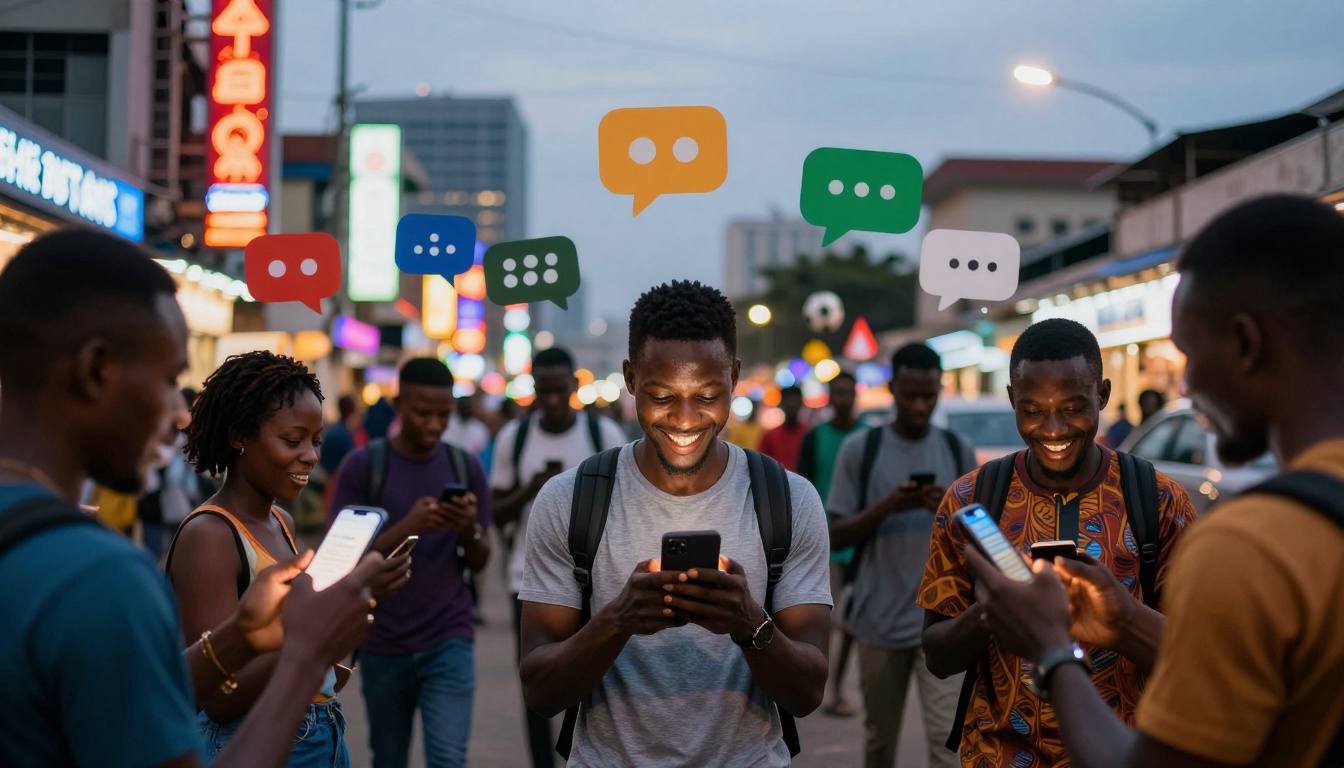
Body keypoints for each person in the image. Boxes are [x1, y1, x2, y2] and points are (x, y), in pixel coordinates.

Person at [962, 195, 1344, 768]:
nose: (1185, 384)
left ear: (1245, 342)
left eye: (1188, 352)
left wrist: (1051, 651)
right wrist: (1129, 622)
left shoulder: (1255, 545)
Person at [0, 228, 382, 768]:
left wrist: (242, 636)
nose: (177, 414)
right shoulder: (99, 576)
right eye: (165, 379)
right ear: (94, 371)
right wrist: (306, 653)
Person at [519, 280, 832, 766]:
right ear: (629, 378)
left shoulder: (789, 500)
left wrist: (749, 623)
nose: (685, 419)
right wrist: (618, 620)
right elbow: (540, 691)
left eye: (707, 394)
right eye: (662, 395)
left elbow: (808, 692)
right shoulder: (570, 500)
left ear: (734, 377)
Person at [918, 318, 1198, 768]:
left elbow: (1194, 657)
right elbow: (937, 655)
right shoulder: (969, 501)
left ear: (1103, 394)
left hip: (1126, 754)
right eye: (1031, 410)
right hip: (997, 754)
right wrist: (991, 612)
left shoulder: (1160, 501)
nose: (1052, 428)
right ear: (1011, 400)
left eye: (1073, 407)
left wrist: (1121, 621)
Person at [166, 351, 411, 767]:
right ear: (240, 436)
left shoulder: (282, 521)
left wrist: (351, 602)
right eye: (293, 441)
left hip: (323, 729)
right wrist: (317, 629)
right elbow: (219, 697)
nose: (311, 457)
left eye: (315, 441)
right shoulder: (209, 536)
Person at [331, 357, 493, 768]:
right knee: (388, 758)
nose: (435, 424)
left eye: (444, 414)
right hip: (383, 641)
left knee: (448, 759)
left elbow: (480, 558)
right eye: (423, 413)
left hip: (449, 637)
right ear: (399, 404)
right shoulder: (364, 465)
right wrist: (409, 527)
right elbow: (342, 562)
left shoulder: (464, 466)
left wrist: (468, 528)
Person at [827, 343, 977, 768]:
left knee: (947, 749)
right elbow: (835, 535)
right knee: (879, 745)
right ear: (892, 389)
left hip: (944, 623)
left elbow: (978, 540)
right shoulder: (862, 449)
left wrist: (942, 511)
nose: (919, 405)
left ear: (939, 390)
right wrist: (886, 507)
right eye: (909, 395)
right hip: (877, 621)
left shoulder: (957, 449)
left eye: (928, 396)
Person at [489, 346, 628, 768]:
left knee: (589, 678)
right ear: (532, 388)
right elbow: (494, 511)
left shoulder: (604, 437)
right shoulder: (514, 439)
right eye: (543, 391)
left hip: (595, 581)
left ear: (574, 386)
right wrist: (530, 490)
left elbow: (626, 505)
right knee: (538, 680)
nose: (551, 399)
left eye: (558, 389)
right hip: (527, 579)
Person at [797, 370, 867, 719]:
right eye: (836, 392)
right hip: (820, 548)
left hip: (860, 548)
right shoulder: (815, 438)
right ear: (828, 396)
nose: (842, 398)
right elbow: (802, 488)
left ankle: (838, 688)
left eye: (848, 392)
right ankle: (818, 686)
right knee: (825, 623)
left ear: (856, 395)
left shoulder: (868, 438)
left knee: (852, 625)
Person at [759, 385, 808, 471]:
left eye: (795, 400)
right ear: (781, 404)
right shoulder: (770, 437)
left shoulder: (809, 435)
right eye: (788, 400)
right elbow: (761, 466)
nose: (792, 404)